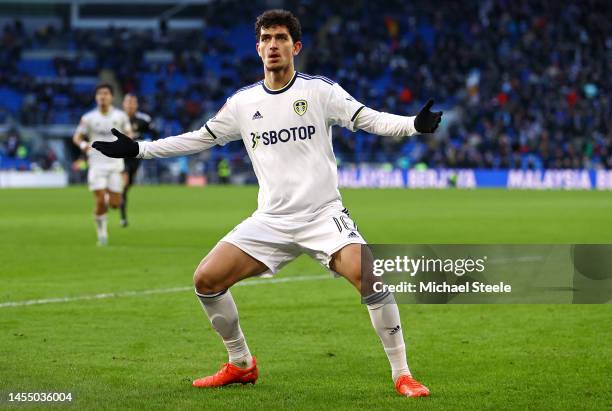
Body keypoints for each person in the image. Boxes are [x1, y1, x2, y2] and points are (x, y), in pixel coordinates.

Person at [93, 9, 442, 397]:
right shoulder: (243, 103)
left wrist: (413, 124)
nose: (273, 45)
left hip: (322, 216)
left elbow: (369, 119)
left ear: (296, 46)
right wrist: (139, 149)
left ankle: (402, 374)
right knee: (206, 280)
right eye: (266, 39)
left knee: (370, 276)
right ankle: (241, 364)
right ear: (257, 47)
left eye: (280, 38)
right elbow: (199, 138)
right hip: (271, 220)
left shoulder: (320, 91)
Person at [73, 84, 132, 245]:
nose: (102, 96)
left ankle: (108, 198)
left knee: (114, 204)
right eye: (99, 94)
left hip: (115, 165)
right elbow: (77, 137)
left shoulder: (120, 116)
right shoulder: (88, 118)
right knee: (99, 201)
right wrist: (83, 145)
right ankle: (102, 233)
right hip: (97, 165)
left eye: (105, 93)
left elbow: (129, 134)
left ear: (111, 97)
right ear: (96, 97)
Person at [120, 93, 157, 227]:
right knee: (123, 184)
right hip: (119, 156)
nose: (130, 105)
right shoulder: (116, 119)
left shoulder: (144, 119)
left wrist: (145, 141)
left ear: (136, 105)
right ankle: (123, 218)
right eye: (127, 102)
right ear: (123, 104)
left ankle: (116, 199)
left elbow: (155, 134)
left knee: (128, 185)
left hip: (135, 156)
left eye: (132, 103)